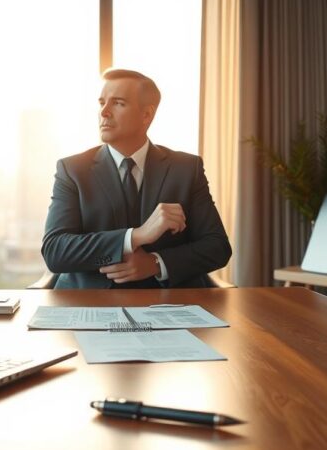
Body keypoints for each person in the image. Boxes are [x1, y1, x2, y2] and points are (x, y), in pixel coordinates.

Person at [41, 69, 231, 288]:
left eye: (118, 103)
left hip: (169, 304)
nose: (104, 112)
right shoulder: (72, 169)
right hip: (90, 303)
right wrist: (135, 237)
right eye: (102, 102)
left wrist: (156, 264)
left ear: (146, 115)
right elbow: (55, 252)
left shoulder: (187, 169)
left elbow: (217, 247)